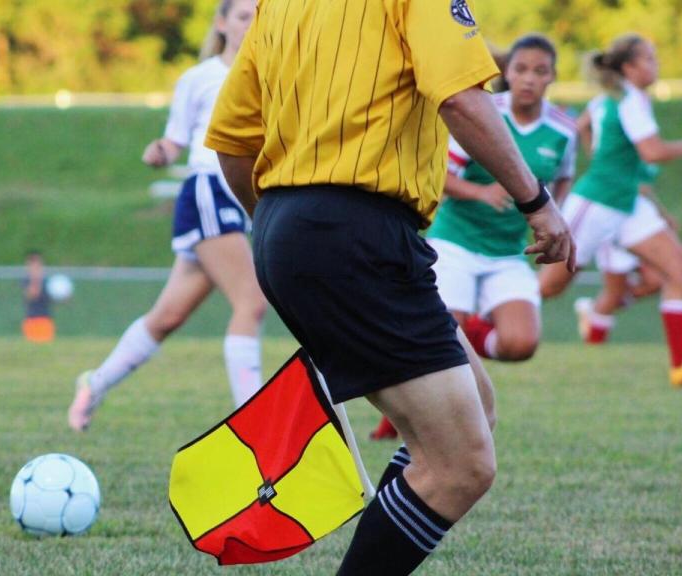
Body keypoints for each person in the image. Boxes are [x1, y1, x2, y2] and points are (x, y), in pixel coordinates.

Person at [206, 1, 574, 574]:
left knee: (474, 410)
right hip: (356, 231)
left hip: (291, 224)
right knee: (460, 466)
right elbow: (461, 98)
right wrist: (537, 201)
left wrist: (291, 233)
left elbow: (232, 140)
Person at [67, 0, 268, 432]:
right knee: (251, 302)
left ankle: (95, 382)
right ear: (221, 23)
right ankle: (255, 425)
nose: (251, 25)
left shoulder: (273, 72)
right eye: (242, 17)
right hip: (209, 190)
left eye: (259, 16)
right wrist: (160, 152)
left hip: (243, 198)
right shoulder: (200, 77)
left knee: (167, 317)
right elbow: (174, 141)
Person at [371, 34, 577, 441]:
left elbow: (563, 176)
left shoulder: (563, 130)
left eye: (540, 71)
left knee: (520, 344)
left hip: (508, 252)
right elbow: (439, 176)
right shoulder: (484, 114)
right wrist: (481, 193)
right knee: (442, 343)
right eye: (521, 69)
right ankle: (398, 419)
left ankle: (463, 332)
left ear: (553, 76)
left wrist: (554, 215)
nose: (529, 79)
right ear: (507, 73)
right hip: (456, 243)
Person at [539, 34, 682, 387]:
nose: (656, 64)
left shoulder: (616, 98)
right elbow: (652, 152)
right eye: (650, 59)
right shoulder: (627, 100)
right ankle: (477, 327)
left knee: (678, 268)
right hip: (598, 201)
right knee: (549, 287)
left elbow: (583, 126)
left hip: (627, 202)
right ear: (628, 67)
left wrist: (602, 153)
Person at [574, 163, 666, 344]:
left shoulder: (645, 156)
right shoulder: (619, 153)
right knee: (613, 294)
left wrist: (662, 214)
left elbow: (644, 189)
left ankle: (594, 308)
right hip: (613, 226)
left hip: (638, 226)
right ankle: (594, 344)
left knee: (657, 281)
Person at [22, 250, 55, 343]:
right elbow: (32, 295)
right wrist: (36, 278)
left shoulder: (47, 280)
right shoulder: (26, 280)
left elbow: (54, 298)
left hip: (45, 319)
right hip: (31, 320)